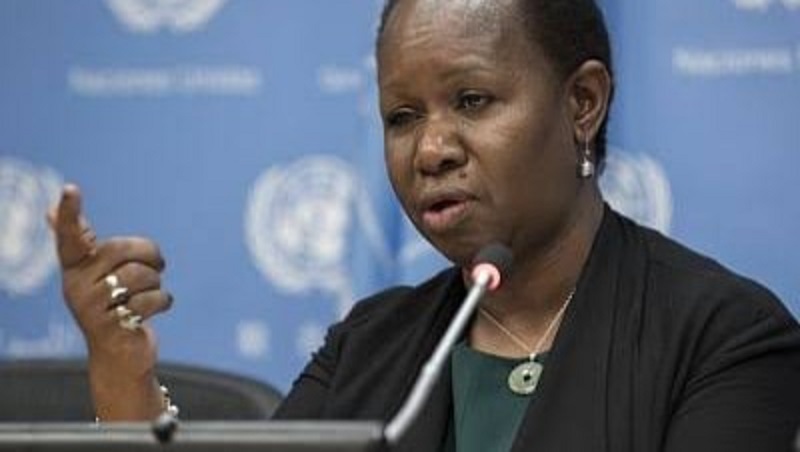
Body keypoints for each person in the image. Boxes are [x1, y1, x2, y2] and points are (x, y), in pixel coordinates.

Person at [48, 0, 800, 450]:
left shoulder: (724, 338)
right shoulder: (369, 347)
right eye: (402, 117)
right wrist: (121, 365)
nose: (431, 149)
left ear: (583, 103)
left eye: (472, 101)